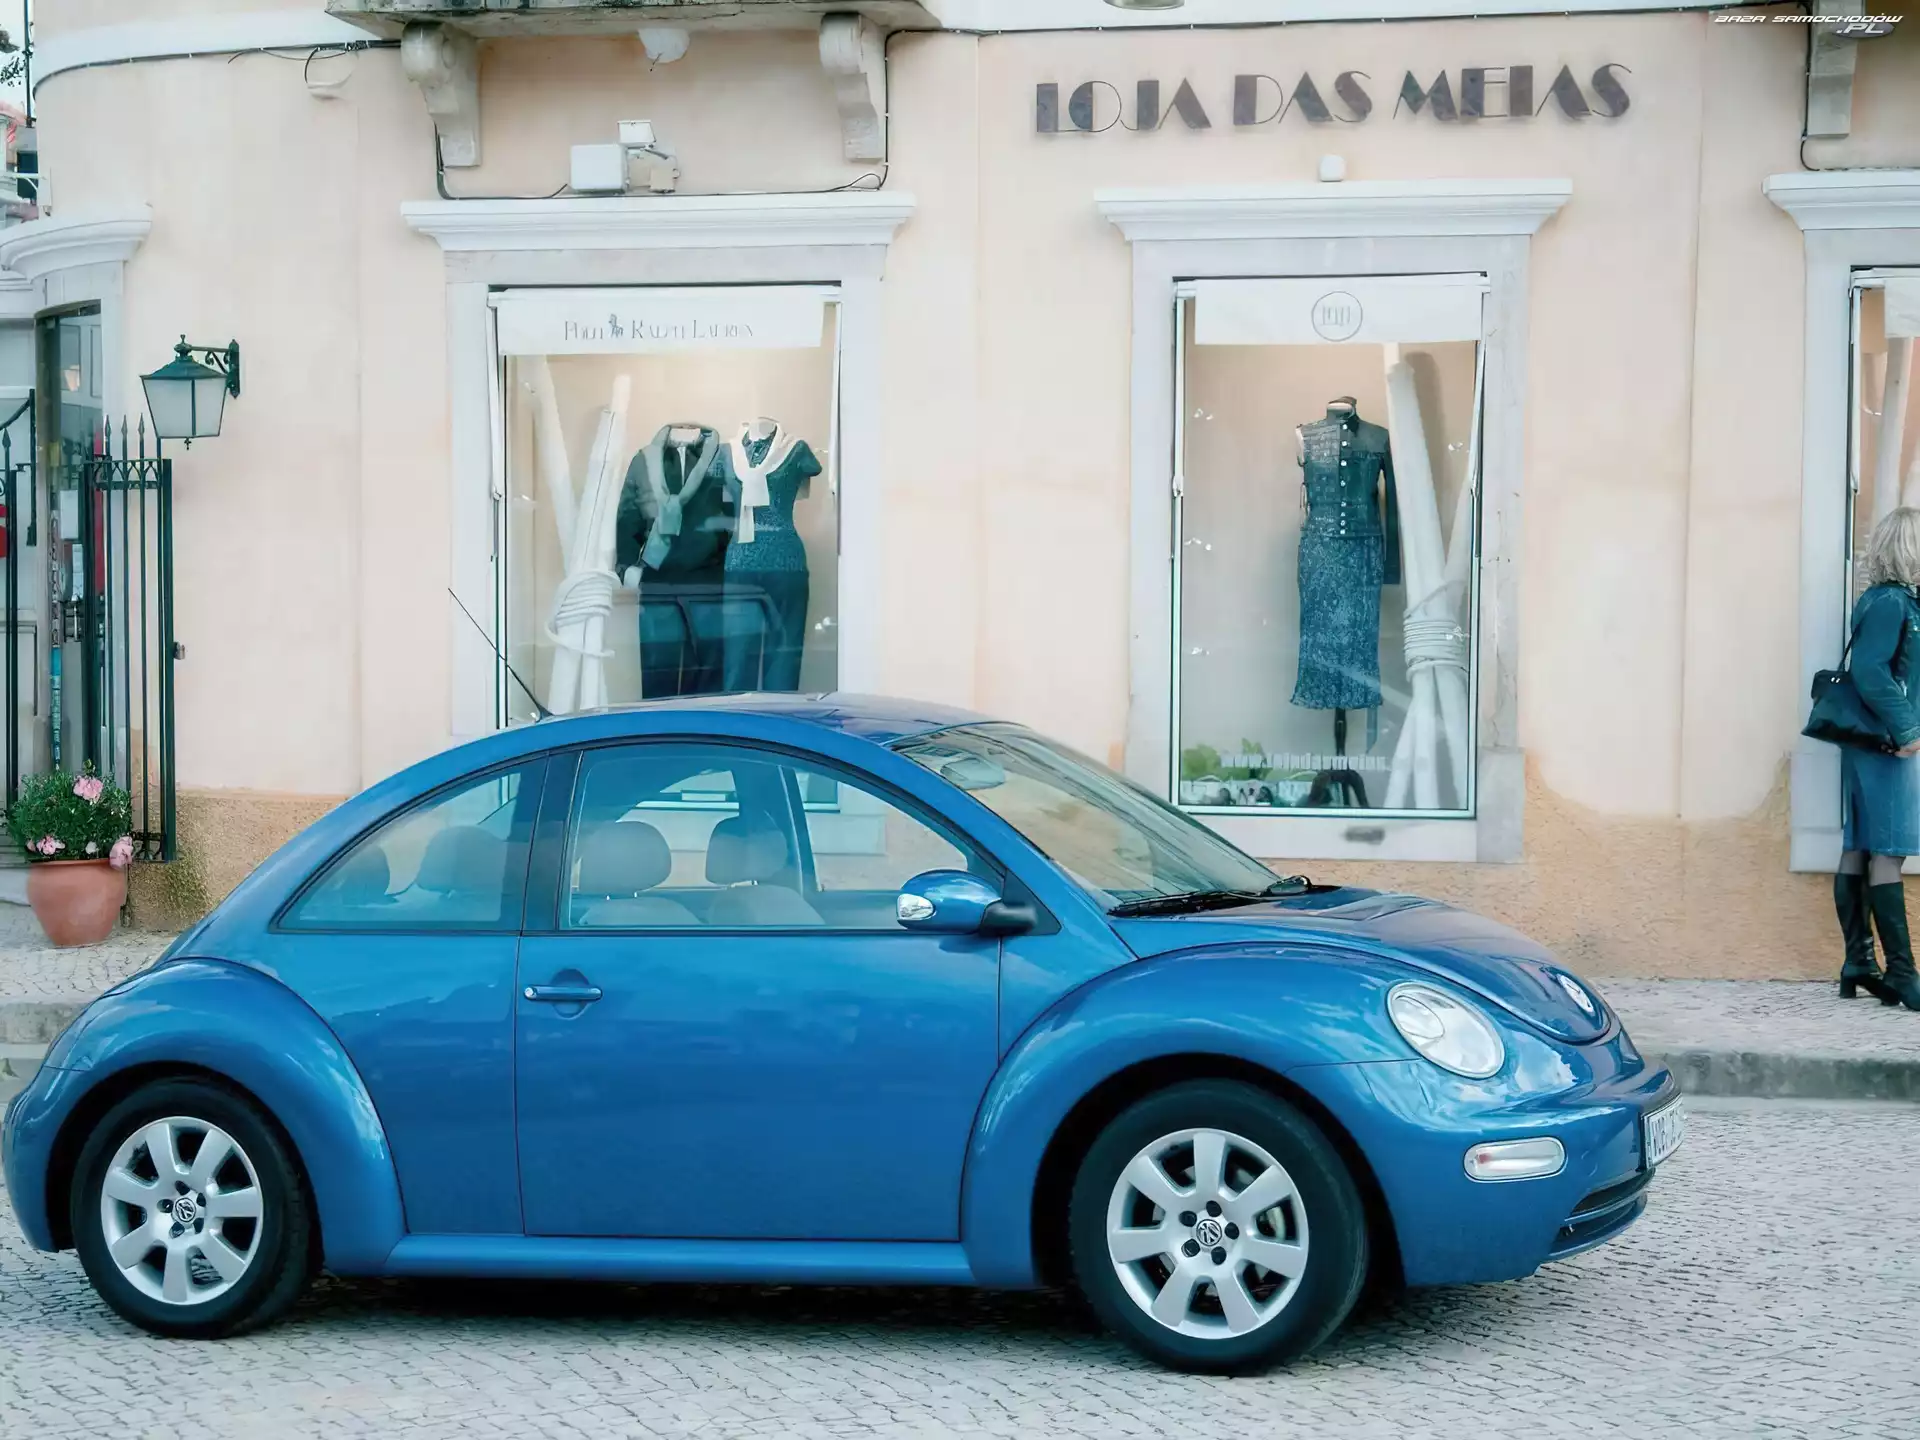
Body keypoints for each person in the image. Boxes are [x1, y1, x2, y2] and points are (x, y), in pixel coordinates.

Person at [1836, 506, 1920, 1011]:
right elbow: (1869, 670)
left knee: (1862, 845)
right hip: (1888, 742)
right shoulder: (1891, 602)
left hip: (1870, 740)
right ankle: (1903, 975)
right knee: (1888, 850)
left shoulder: (1888, 599)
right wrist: (1908, 729)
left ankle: (1859, 964)